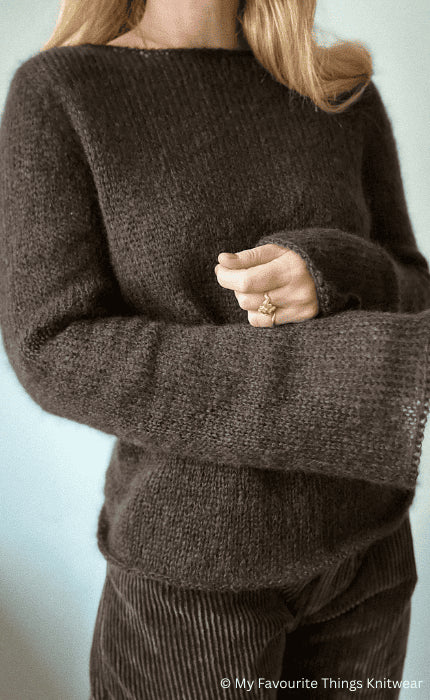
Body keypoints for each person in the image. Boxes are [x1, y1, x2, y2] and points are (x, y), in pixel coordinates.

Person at [1, 1, 430, 698]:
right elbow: (53, 345)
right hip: (195, 582)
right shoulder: (62, 93)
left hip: (368, 559)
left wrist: (332, 269)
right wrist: (341, 373)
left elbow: (413, 288)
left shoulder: (339, 92)